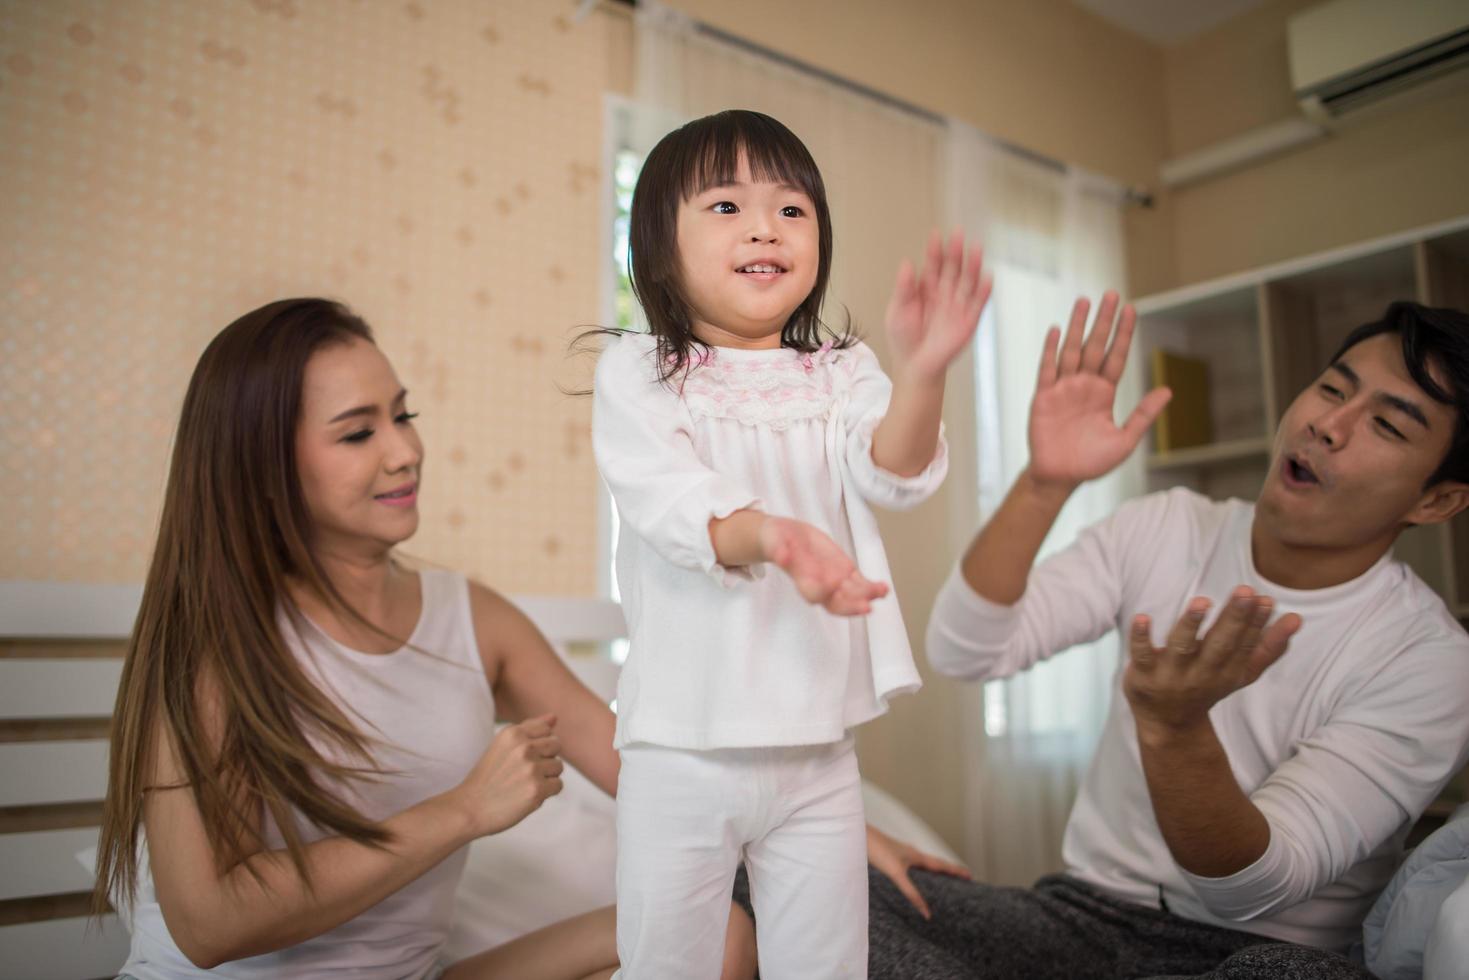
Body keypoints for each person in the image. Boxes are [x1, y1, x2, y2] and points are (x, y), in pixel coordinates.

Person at [92, 296, 965, 980]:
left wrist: (826, 815)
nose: (403, 453)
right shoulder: (214, 648)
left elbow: (643, 756)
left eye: (404, 416)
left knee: (720, 942)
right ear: (262, 462)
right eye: (359, 433)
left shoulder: (469, 618)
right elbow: (210, 925)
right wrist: (465, 812)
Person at [905, 296, 1469, 979]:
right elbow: (964, 650)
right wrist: (1043, 483)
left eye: (1385, 425)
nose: (1328, 425)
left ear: (1433, 500)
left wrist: (1174, 730)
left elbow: (1251, 886)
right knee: (815, 887)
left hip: (1250, 954)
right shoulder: (1166, 527)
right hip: (1078, 916)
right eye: (1330, 388)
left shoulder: (1428, 660)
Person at [590, 109, 989, 979]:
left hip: (817, 749)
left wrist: (924, 372)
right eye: (726, 207)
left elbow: (893, 470)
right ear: (658, 249)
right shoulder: (639, 369)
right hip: (680, 748)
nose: (765, 225)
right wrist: (771, 535)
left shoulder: (841, 369)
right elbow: (670, 502)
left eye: (792, 209)